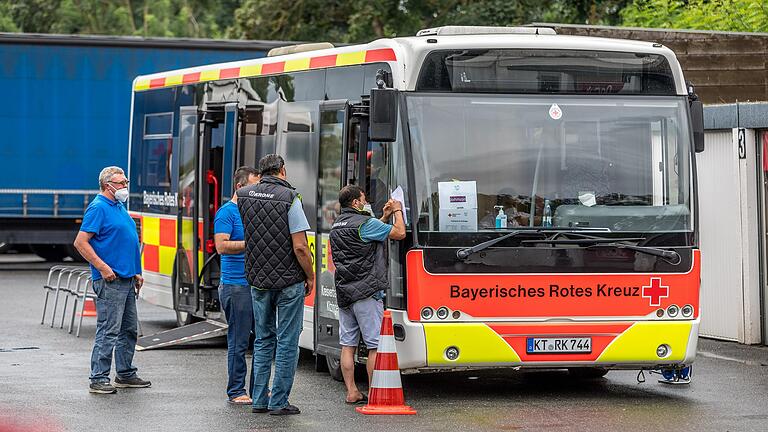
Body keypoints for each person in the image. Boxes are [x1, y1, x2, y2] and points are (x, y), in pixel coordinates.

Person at [237, 154, 315, 416]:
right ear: (282, 170)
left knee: (262, 339)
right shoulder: (290, 198)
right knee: (287, 341)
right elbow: (301, 247)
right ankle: (279, 401)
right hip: (288, 280)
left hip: (258, 279)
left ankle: (259, 398)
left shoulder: (245, 195)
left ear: (261, 172)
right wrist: (311, 276)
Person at [73, 166, 150, 394]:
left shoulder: (118, 206)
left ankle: (125, 373)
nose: (125, 186)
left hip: (125, 278)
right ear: (108, 186)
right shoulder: (98, 208)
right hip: (110, 279)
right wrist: (103, 268)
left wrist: (135, 271)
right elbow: (80, 242)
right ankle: (98, 378)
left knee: (128, 330)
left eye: (125, 182)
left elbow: (122, 242)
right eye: (122, 183)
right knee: (108, 330)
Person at [329, 185, 405, 404]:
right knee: (374, 345)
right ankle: (374, 392)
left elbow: (369, 233)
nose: (365, 202)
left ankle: (352, 392)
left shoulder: (337, 225)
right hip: (366, 292)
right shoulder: (364, 223)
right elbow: (399, 233)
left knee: (348, 345)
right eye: (363, 199)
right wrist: (397, 211)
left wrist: (383, 216)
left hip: (345, 291)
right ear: (355, 203)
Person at [214, 166, 260, 405]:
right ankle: (236, 391)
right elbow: (221, 246)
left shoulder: (254, 210)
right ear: (240, 187)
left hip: (255, 284)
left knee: (262, 340)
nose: (258, 190)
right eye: (254, 185)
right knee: (239, 341)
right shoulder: (227, 213)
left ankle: (258, 390)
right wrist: (251, 243)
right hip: (235, 285)